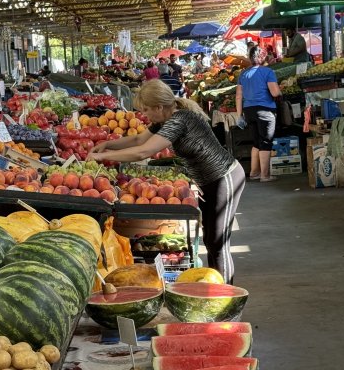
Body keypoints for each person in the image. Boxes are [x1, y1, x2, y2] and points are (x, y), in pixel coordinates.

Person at [88, 79, 245, 284]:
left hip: (224, 178)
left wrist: (103, 157)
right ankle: (217, 293)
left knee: (218, 243)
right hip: (208, 182)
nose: (144, 115)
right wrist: (108, 144)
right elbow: (138, 140)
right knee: (210, 240)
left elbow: (144, 151)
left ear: (159, 107)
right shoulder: (166, 119)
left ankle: (228, 301)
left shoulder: (179, 121)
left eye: (146, 110)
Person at [237, 46, 282, 182]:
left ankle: (254, 172)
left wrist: (239, 115)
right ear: (262, 57)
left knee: (256, 142)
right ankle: (265, 175)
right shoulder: (268, 72)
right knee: (265, 142)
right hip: (265, 110)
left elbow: (238, 96)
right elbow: (274, 93)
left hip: (249, 111)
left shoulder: (243, 74)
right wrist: (280, 91)